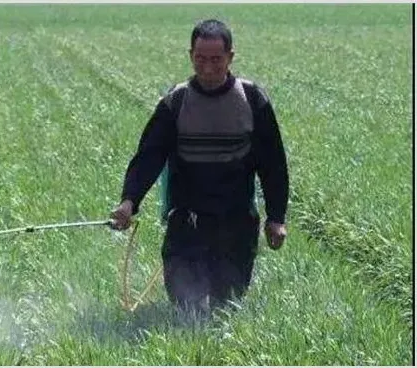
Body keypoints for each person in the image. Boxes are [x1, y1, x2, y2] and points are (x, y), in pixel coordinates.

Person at [110, 19, 289, 314]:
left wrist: (276, 217)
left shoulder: (252, 100)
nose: (207, 68)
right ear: (190, 55)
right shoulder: (176, 102)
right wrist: (129, 202)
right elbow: (149, 156)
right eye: (200, 59)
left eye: (216, 60)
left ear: (231, 57)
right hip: (187, 223)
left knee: (226, 306)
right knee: (186, 307)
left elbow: (273, 163)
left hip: (236, 223)